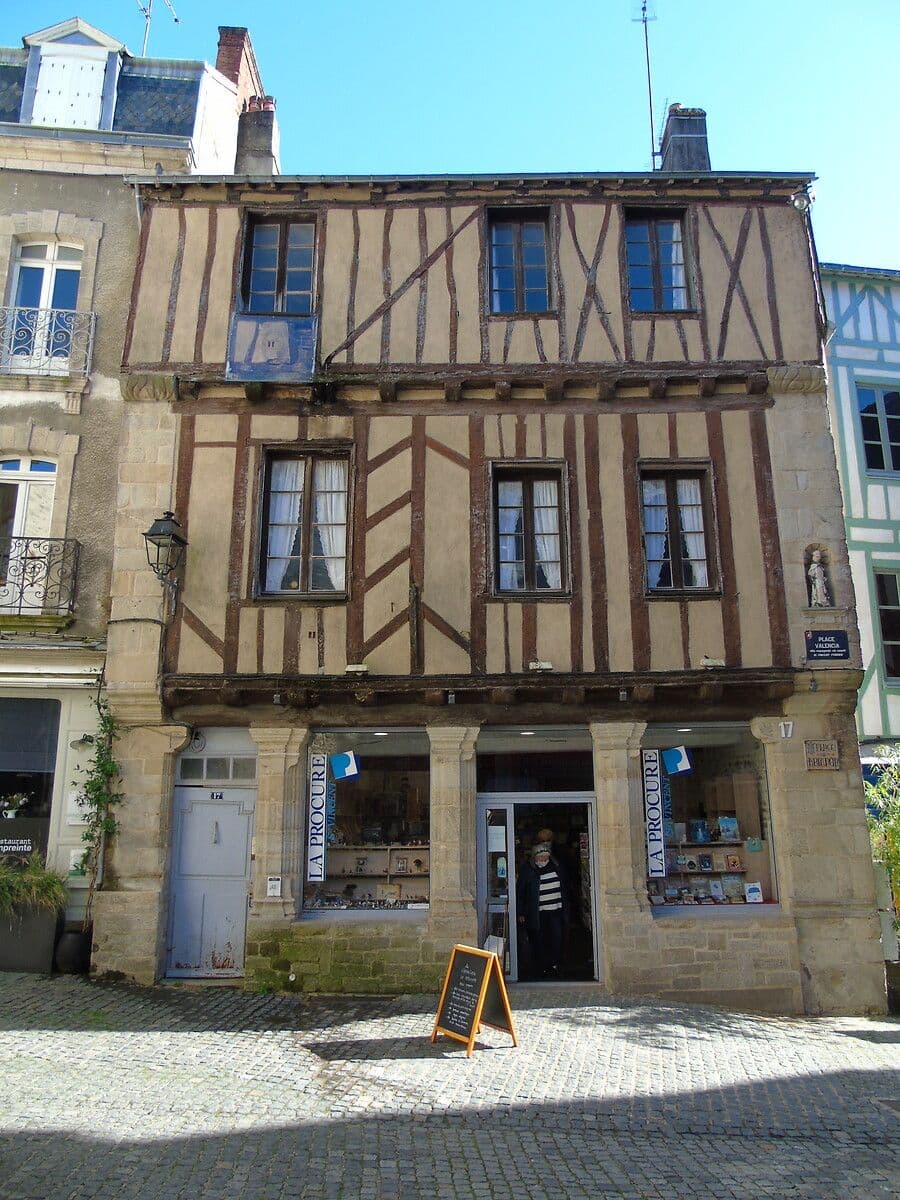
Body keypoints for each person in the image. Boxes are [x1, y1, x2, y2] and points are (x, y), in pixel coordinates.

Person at [517, 840, 567, 978]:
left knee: (556, 939)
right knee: (539, 941)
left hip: (556, 911)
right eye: (540, 857)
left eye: (545, 857)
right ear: (534, 857)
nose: (543, 860)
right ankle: (541, 967)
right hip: (537, 913)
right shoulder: (528, 870)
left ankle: (554, 965)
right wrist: (520, 912)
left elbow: (565, 887)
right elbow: (521, 892)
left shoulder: (556, 866)